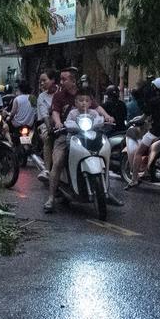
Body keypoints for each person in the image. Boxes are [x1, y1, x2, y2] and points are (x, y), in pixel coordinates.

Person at [45, 68, 115, 212]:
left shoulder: (83, 94)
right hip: (66, 134)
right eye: (61, 79)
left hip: (88, 133)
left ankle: (106, 191)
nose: (61, 82)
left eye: (64, 79)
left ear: (73, 80)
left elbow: (97, 108)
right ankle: (51, 198)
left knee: (103, 152)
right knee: (58, 161)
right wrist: (58, 123)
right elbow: (55, 112)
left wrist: (107, 116)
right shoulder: (59, 96)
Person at [130, 77, 160, 187]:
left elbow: (143, 118)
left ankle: (134, 179)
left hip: (156, 132)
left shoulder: (152, 102)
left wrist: (136, 120)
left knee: (138, 152)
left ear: (154, 88)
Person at [35, 71, 56, 182]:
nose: (42, 83)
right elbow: (44, 115)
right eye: (40, 81)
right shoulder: (41, 97)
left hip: (61, 124)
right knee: (48, 138)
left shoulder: (61, 93)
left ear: (53, 80)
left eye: (44, 80)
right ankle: (47, 170)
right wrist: (49, 128)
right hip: (45, 125)